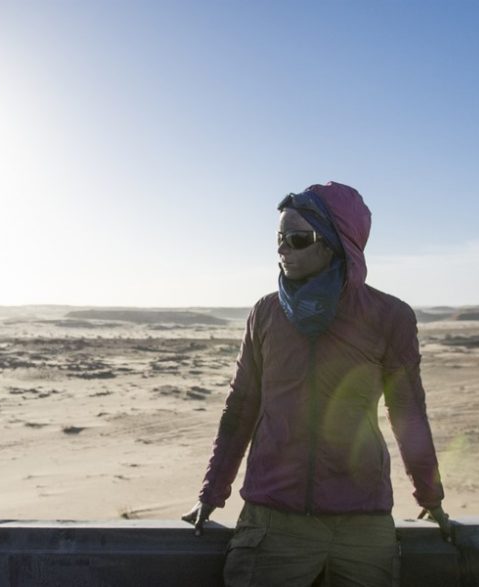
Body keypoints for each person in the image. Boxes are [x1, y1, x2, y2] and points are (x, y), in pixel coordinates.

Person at [182, 182, 450, 586]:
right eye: (279, 238)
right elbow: (240, 408)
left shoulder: (389, 316)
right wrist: (211, 493)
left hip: (363, 526)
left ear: (335, 243)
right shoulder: (266, 314)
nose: (283, 249)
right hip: (274, 522)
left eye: (298, 238)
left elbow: (408, 411)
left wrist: (430, 496)